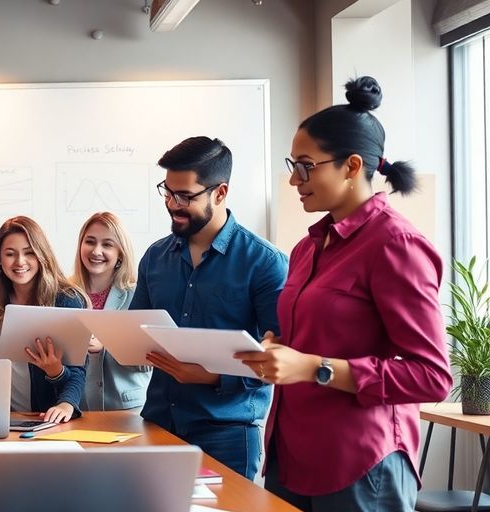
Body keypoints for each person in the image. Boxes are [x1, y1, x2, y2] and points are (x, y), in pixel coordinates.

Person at [235, 77, 452, 511]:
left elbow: (432, 376)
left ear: (352, 166)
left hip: (360, 465)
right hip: (292, 455)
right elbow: (311, 341)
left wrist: (312, 368)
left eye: (305, 166)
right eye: (291, 165)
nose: (295, 179)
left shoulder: (396, 244)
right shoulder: (306, 247)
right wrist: (276, 351)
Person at [130, 136, 287, 480]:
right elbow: (135, 328)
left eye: (186, 196)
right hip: (159, 425)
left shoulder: (264, 263)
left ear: (220, 192)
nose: (173, 204)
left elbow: (283, 358)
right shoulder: (156, 257)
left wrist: (213, 376)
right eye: (168, 192)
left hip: (227, 434)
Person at [0, 216, 88, 424]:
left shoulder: (67, 299)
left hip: (45, 420)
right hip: (0, 419)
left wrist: (65, 402)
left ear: (42, 255)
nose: (20, 262)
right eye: (10, 254)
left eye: (29, 252)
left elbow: (78, 370)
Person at [71, 212, 150, 411]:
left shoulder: (137, 294)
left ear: (120, 254)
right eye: (90, 242)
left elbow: (149, 361)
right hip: (80, 409)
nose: (97, 251)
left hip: (128, 411)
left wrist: (109, 344)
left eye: (107, 244)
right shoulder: (66, 294)